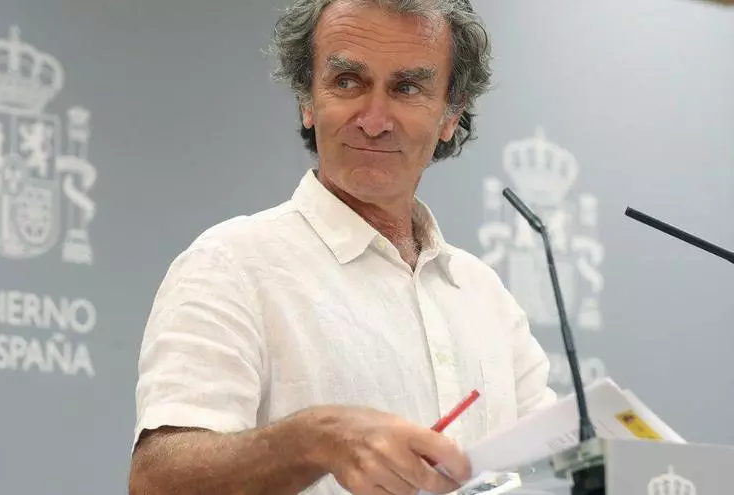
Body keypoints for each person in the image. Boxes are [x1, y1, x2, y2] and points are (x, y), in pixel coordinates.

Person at [128, 0, 557, 494]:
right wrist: (317, 439)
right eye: (348, 82)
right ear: (307, 102)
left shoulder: (485, 295)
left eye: (407, 88)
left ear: (450, 115)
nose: (374, 120)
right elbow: (157, 480)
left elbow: (555, 464)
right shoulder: (231, 265)